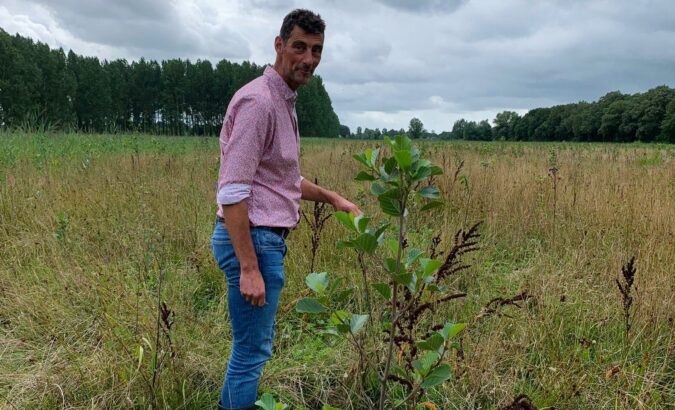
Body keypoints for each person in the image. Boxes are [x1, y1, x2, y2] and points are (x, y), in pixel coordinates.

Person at [211, 9, 361, 410]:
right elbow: (233, 190)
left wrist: (333, 198)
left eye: (316, 50)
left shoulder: (283, 101)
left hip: (262, 240)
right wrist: (249, 267)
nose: (308, 59)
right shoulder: (260, 103)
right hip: (254, 241)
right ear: (279, 45)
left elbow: (280, 180)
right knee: (250, 354)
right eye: (299, 47)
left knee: (252, 350)